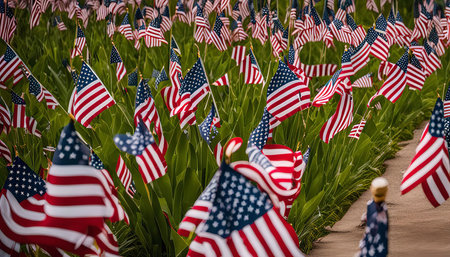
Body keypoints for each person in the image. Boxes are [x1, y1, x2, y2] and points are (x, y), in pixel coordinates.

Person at [357, 177, 389, 257]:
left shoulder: (371, 204)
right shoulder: (382, 209)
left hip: (370, 244)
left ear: (372, 189)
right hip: (378, 247)